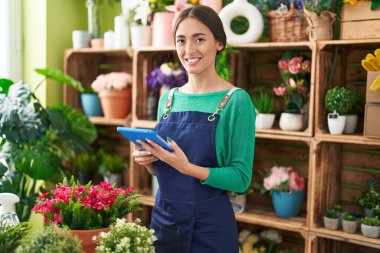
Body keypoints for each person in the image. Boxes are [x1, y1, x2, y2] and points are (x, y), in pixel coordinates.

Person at [132, 5, 255, 253]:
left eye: (199, 39)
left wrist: (187, 167)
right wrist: (151, 163)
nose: (189, 50)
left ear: (219, 43)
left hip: (210, 230)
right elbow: (169, 171)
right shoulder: (168, 99)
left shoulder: (236, 101)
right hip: (164, 222)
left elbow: (241, 179)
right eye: (181, 40)